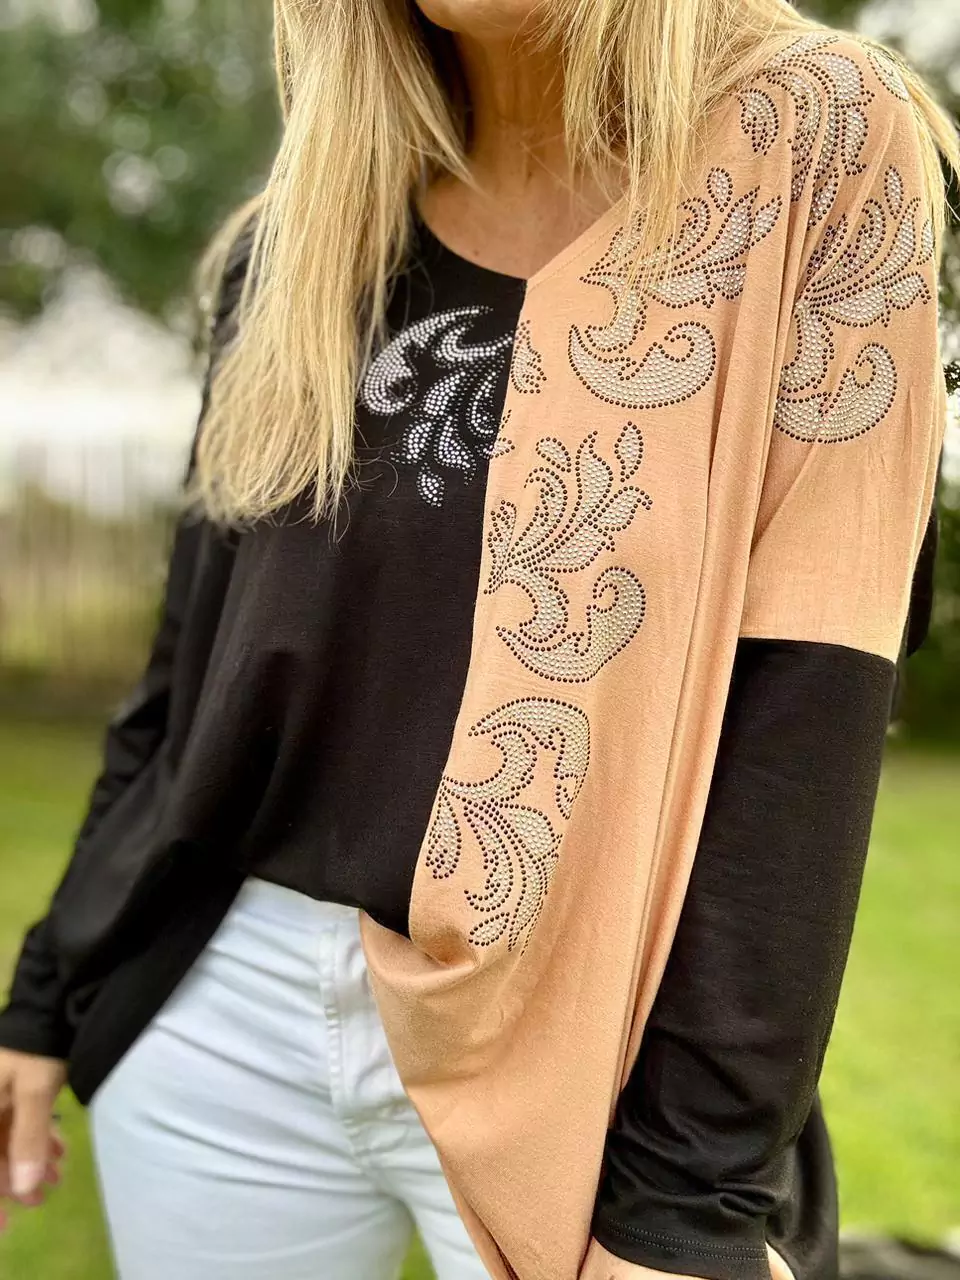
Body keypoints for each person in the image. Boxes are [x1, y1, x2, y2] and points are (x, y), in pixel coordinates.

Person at [0, 2, 956, 1278]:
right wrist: (47, 990)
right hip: (224, 1011)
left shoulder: (818, 143)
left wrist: (688, 1203)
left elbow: (807, 713)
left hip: (593, 1053)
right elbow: (188, 681)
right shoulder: (301, 240)